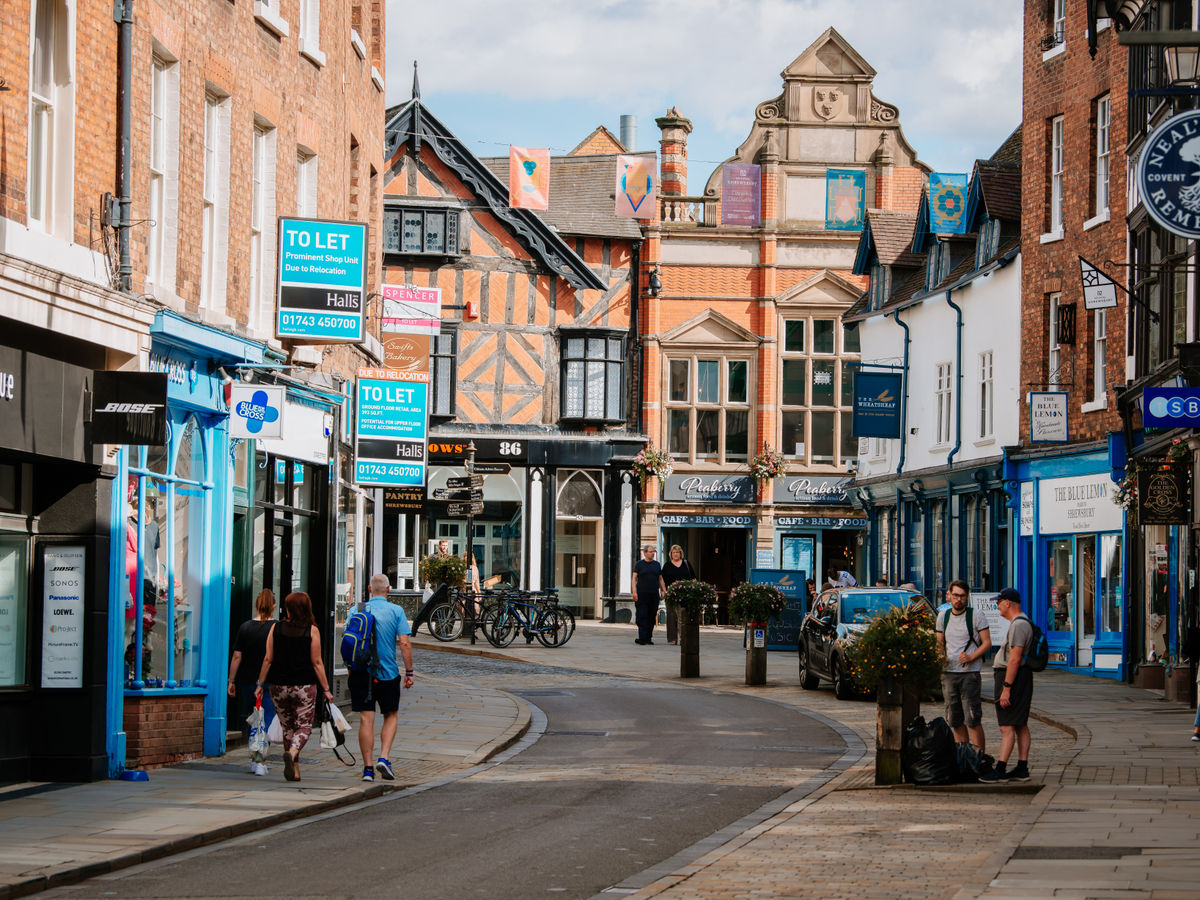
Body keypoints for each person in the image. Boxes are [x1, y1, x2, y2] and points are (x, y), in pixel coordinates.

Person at [255, 592, 334, 783]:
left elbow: (268, 658)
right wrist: (326, 688)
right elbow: (316, 662)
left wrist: (260, 684)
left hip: (278, 686)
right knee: (304, 726)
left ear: (288, 608)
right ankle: (292, 753)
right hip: (304, 685)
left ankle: (295, 770)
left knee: (287, 727)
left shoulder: (276, 628)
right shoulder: (311, 630)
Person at [354, 574, 415, 783]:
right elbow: (405, 644)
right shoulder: (396, 611)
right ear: (388, 590)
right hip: (387, 673)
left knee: (366, 719)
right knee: (390, 715)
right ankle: (384, 757)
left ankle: (368, 769)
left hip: (362, 673)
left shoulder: (358, 609)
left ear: (370, 590)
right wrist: (409, 672)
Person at [980, 588, 1034, 783]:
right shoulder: (1020, 623)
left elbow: (1014, 659)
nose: (997, 605)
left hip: (1014, 677)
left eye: (999, 602)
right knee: (1019, 724)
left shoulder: (1019, 625)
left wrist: (1006, 688)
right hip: (1019, 677)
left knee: (1007, 726)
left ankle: (1001, 769)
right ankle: (1021, 768)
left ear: (1008, 603)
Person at [935, 580, 992, 752]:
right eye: (955, 595)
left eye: (962, 596)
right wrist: (940, 656)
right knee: (954, 719)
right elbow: (939, 642)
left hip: (970, 673)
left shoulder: (976, 615)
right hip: (949, 673)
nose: (958, 599)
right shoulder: (942, 616)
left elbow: (987, 642)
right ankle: (964, 756)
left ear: (967, 597)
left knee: (972, 718)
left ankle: (979, 758)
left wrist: (971, 656)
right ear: (949, 595)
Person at [228, 589, 277, 775]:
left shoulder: (245, 627)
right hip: (270, 681)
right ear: (273, 606)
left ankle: (256, 759)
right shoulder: (276, 628)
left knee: (255, 720)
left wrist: (231, 680)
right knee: (265, 721)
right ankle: (260, 761)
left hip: (248, 681)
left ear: (257, 605)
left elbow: (236, 656)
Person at [660, 544, 696, 645]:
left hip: (685, 594)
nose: (676, 554)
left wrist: (695, 591)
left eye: (677, 552)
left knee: (683, 616)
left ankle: (683, 638)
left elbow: (693, 578)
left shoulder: (686, 564)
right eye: (674, 552)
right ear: (671, 554)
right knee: (671, 617)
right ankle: (672, 639)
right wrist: (663, 591)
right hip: (671, 594)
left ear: (681, 554)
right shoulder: (667, 565)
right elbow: (662, 579)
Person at [631, 544, 664, 645]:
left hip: (654, 594)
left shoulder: (657, 564)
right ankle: (642, 637)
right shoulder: (639, 564)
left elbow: (660, 578)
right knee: (642, 615)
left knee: (651, 616)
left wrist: (663, 590)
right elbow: (634, 579)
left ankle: (648, 638)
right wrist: (634, 592)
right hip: (641, 594)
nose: (652, 553)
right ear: (644, 553)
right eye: (650, 551)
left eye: (654, 551)